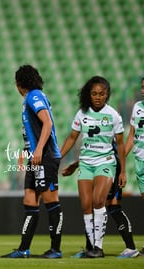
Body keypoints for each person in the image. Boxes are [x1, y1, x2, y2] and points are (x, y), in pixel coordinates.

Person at [60, 76, 126, 258]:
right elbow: (72, 138)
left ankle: (98, 247)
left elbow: (120, 144)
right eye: (94, 94)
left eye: (102, 94)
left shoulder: (113, 115)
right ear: (89, 94)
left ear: (107, 95)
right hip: (86, 163)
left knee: (98, 200)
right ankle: (91, 247)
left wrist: (123, 171)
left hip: (105, 162)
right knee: (86, 205)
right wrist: (58, 157)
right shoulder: (82, 113)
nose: (98, 97)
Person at [1, 65, 63, 259]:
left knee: (51, 200)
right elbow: (35, 130)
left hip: (45, 157)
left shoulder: (34, 96)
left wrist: (37, 150)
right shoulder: (33, 97)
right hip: (34, 156)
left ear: (19, 83)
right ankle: (23, 249)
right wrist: (27, 151)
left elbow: (48, 123)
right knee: (29, 199)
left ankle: (56, 249)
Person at [62, 144, 139, 258]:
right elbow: (93, 149)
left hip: (109, 165)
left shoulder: (111, 128)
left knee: (113, 206)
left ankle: (131, 248)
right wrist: (76, 164)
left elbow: (112, 146)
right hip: (95, 165)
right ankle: (90, 248)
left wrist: (122, 168)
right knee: (91, 205)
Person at [125, 76, 144, 254]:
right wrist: (122, 155)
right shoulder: (138, 107)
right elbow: (132, 135)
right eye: (143, 87)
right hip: (140, 161)